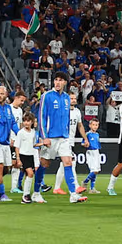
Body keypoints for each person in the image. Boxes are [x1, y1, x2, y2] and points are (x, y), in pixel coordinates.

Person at [38, 72, 85, 204]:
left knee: (68, 162)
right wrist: (44, 137)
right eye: (56, 80)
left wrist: (67, 134)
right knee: (44, 164)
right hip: (50, 138)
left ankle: (73, 194)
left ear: (65, 83)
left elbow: (66, 118)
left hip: (64, 137)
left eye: (61, 80)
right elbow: (41, 117)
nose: (58, 83)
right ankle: (36, 192)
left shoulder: (66, 98)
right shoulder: (46, 96)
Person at [14, 113, 43, 204]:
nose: (26, 123)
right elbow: (17, 146)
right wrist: (18, 158)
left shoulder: (34, 133)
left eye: (28, 121)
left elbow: (33, 145)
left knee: (29, 175)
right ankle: (25, 195)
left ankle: (26, 196)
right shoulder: (20, 133)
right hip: (23, 155)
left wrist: (42, 144)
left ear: (32, 122)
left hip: (31, 155)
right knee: (30, 173)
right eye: (24, 121)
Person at [82, 119, 102, 192]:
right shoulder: (87, 134)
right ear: (90, 125)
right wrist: (85, 144)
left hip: (96, 152)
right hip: (90, 152)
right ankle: (85, 181)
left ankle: (92, 188)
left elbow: (98, 143)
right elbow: (82, 143)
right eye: (93, 125)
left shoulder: (97, 134)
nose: (95, 126)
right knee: (94, 170)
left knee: (96, 170)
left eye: (96, 125)